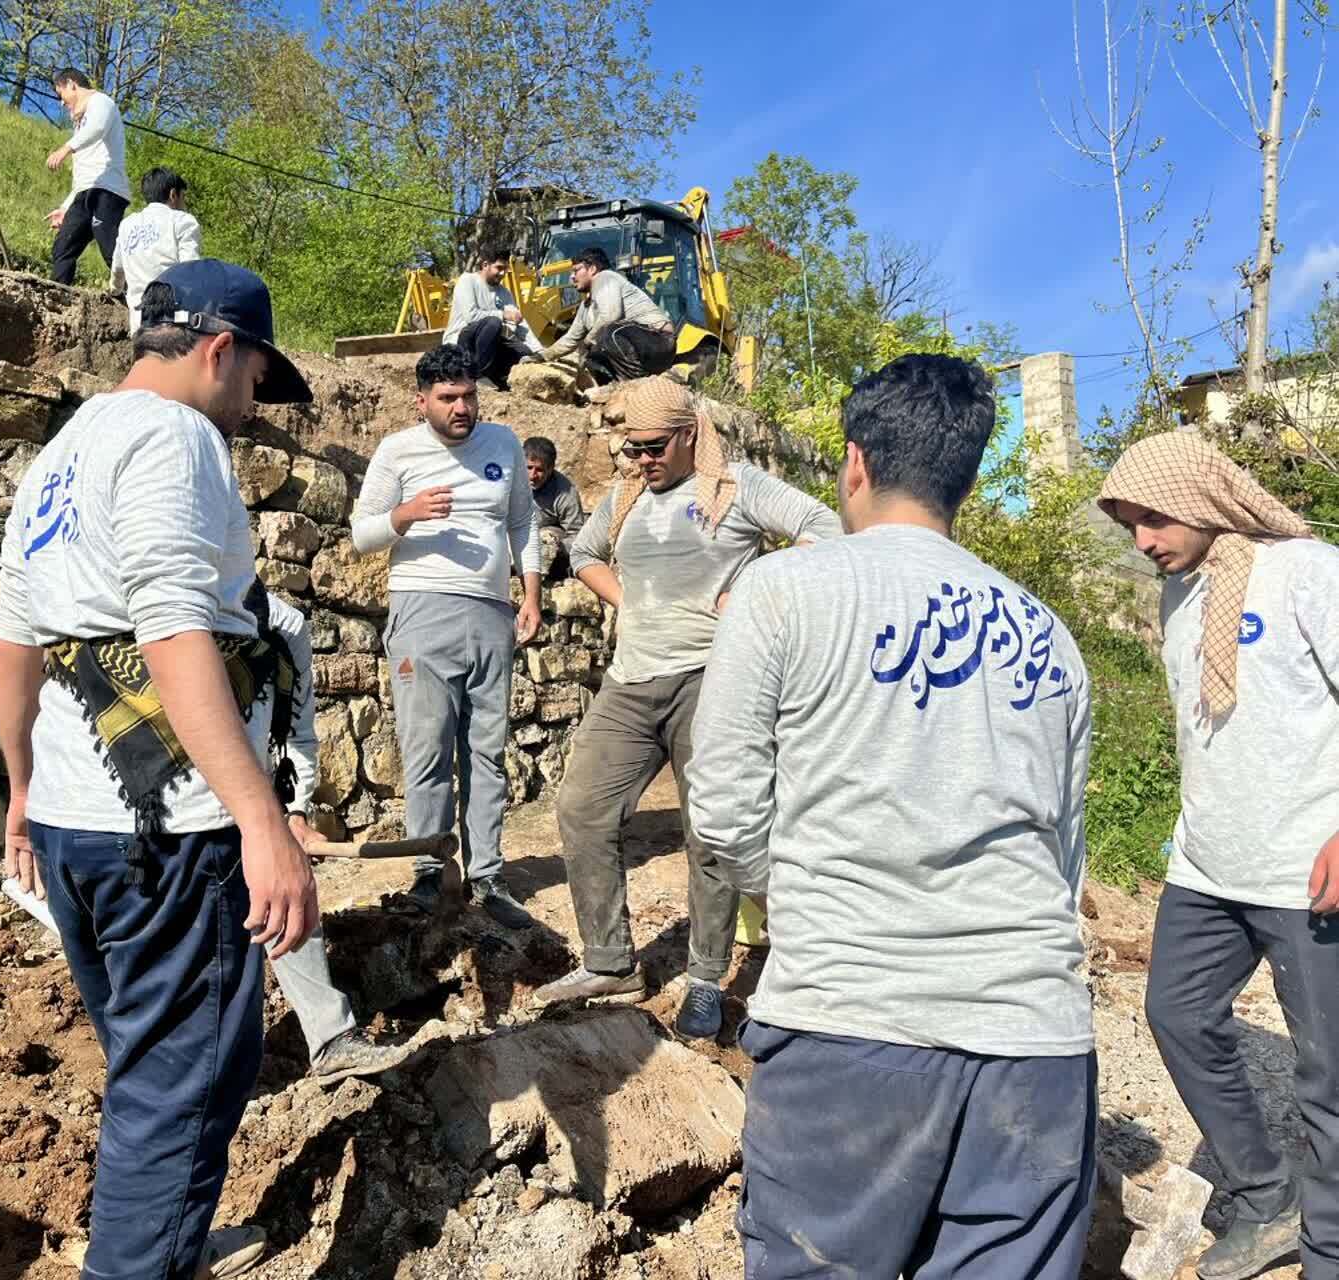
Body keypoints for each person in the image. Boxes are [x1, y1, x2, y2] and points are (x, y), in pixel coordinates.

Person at [685, 354, 1097, 1278]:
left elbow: (720, 803)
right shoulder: (1048, 634)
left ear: (854, 463)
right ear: (969, 476)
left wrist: (798, 905)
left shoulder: (786, 590)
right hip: (1036, 1045)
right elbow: (1062, 855)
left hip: (850, 1029)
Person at [0, 258, 319, 1280]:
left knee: (148, 1072)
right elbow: (174, 627)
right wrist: (263, 820)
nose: (252, 403)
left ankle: (156, 1243)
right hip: (172, 835)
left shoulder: (64, 450)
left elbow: (14, 642)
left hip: (77, 825)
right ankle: (137, 1261)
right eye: (256, 377)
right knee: (181, 1090)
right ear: (220, 348)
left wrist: (21, 792)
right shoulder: (178, 437)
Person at [531, 377, 842, 1040]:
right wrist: (634, 604)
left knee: (710, 829)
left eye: (650, 447)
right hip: (631, 677)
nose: (639, 460)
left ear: (688, 433)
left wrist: (754, 591)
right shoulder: (625, 495)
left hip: (715, 676)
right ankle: (611, 963)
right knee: (582, 808)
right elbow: (584, 553)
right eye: (629, 449)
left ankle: (705, 976)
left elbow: (826, 529)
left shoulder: (738, 486)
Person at [1100, 431, 1339, 1280]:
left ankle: (1330, 1246)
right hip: (1206, 866)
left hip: (1308, 867)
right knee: (1177, 1015)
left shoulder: (1308, 573)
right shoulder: (1178, 593)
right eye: (1128, 524)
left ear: (1202, 499)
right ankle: (1266, 1198)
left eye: (1153, 519)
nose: (1142, 540)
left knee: (1327, 1068)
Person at [350, 342, 543, 931]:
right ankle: (430, 873)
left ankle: (486, 874)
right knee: (427, 747)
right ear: (422, 401)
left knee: (487, 750)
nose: (462, 408)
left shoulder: (505, 444)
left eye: (469, 396)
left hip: (490, 611)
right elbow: (362, 534)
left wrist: (529, 594)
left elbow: (522, 522)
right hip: (422, 610)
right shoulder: (398, 451)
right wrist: (405, 516)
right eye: (449, 398)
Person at [264, 589, 412, 1085]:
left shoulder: (282, 626)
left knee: (289, 892)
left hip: (256, 788)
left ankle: (331, 1039)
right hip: (163, 801)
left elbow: (295, 735)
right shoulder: (163, 603)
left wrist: (294, 809)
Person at [534, 247, 676, 384]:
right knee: (594, 355)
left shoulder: (606, 277)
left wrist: (586, 344)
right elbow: (570, 339)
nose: (572, 277)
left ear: (592, 269)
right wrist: (541, 356)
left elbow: (610, 317)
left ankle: (636, 387)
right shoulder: (586, 306)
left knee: (605, 333)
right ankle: (615, 389)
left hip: (659, 341)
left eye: (576, 270)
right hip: (634, 346)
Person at [45, 68, 131, 286]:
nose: (62, 103)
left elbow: (98, 128)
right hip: (85, 192)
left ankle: (139, 298)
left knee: (109, 247)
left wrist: (65, 149)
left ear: (72, 84)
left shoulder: (101, 102)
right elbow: (83, 175)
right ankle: (58, 296)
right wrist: (65, 207)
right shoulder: (80, 126)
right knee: (63, 246)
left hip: (107, 191)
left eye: (60, 94)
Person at [111, 167, 203, 334]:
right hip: (175, 320)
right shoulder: (182, 220)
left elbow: (118, 268)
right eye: (183, 197)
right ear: (173, 194)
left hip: (140, 324)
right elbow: (191, 271)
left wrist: (114, 289)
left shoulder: (127, 225)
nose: (184, 203)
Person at [442, 247, 543, 388]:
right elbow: (471, 316)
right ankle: (477, 376)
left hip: (489, 343)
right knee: (493, 323)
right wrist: (503, 315)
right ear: (485, 265)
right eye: (499, 268)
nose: (502, 273)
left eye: (505, 269)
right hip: (462, 341)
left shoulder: (504, 293)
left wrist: (539, 351)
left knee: (524, 352)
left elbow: (520, 322)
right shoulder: (467, 281)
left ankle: (499, 378)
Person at [523, 436, 585, 579]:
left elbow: (578, 535)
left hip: (545, 546)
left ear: (550, 469)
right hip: (514, 536)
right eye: (529, 467)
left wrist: (557, 548)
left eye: (539, 470)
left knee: (546, 537)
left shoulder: (565, 492)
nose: (533, 476)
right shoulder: (508, 479)